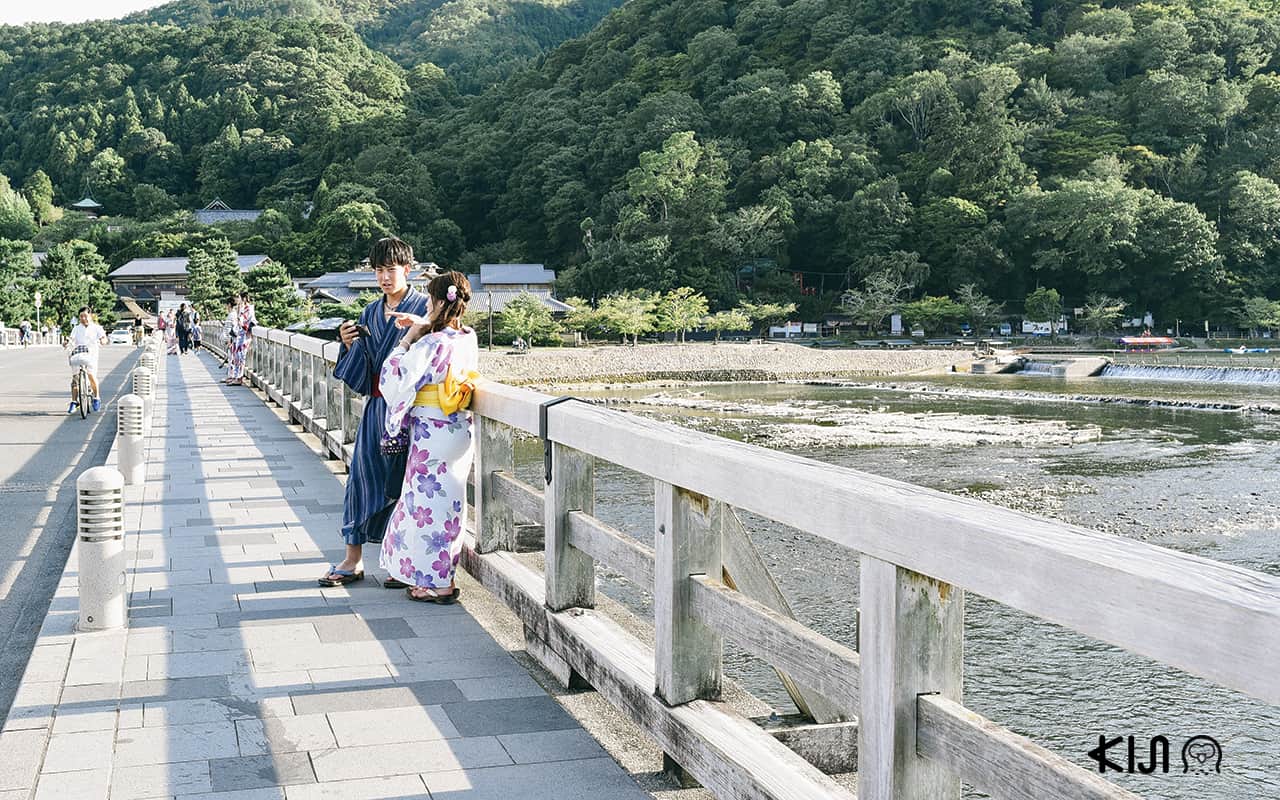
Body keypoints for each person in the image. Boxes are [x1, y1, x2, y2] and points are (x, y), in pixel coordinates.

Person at [319, 237, 430, 587]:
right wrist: (348, 343)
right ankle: (352, 559)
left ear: (407, 269)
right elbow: (364, 368)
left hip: (414, 410)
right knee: (361, 477)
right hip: (379, 407)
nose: (384, 277)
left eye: (390, 269)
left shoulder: (426, 306)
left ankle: (404, 564)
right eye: (379, 270)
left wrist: (422, 328)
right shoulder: (369, 311)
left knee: (408, 484)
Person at [378, 272, 479, 602]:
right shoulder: (468, 338)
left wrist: (408, 339)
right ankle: (441, 576)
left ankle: (437, 583)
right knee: (451, 504)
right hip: (459, 427)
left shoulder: (428, 344)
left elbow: (393, 380)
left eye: (428, 301)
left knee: (426, 505)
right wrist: (427, 324)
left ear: (437, 301)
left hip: (431, 431)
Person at [65, 307, 107, 414]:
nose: (83, 318)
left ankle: (96, 397)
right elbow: (71, 338)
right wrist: (66, 342)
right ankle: (74, 401)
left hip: (91, 355)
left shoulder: (97, 328)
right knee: (75, 378)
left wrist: (103, 340)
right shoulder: (76, 328)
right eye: (81, 316)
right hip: (78, 354)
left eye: (85, 316)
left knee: (91, 375)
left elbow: (103, 337)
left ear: (90, 316)